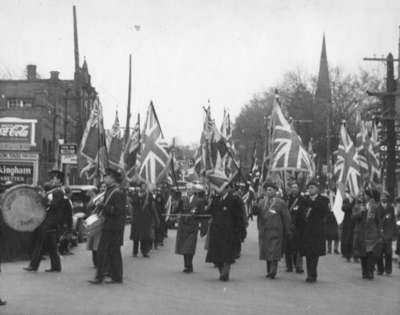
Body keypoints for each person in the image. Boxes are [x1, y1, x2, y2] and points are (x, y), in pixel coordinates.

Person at [24, 169, 71, 272]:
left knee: (40, 244)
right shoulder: (57, 191)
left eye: (54, 179)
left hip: (49, 222)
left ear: (59, 181)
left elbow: (53, 206)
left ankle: (33, 266)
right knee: (52, 246)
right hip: (52, 222)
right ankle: (56, 266)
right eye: (52, 178)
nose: (52, 181)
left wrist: (43, 199)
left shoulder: (57, 192)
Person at [89, 167, 126, 284]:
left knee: (102, 251)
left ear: (112, 178)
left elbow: (118, 211)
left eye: (106, 176)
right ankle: (117, 277)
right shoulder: (110, 190)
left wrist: (103, 206)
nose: (104, 178)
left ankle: (100, 277)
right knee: (113, 252)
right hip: (110, 225)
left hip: (113, 227)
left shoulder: (117, 192)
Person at [205, 182, 246, 281]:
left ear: (227, 189)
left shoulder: (234, 200)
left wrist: (240, 231)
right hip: (216, 231)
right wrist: (206, 206)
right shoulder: (215, 199)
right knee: (216, 256)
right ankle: (221, 270)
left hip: (229, 232)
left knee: (227, 255)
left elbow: (239, 217)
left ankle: (225, 272)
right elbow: (208, 212)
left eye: (221, 188)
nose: (218, 190)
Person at [255, 179, 291, 279]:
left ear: (275, 191)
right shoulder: (262, 202)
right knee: (267, 251)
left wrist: (287, 230)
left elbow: (286, 217)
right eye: (267, 190)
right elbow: (258, 215)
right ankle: (268, 270)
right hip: (265, 231)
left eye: (270, 190)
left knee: (274, 252)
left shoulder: (280, 203)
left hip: (276, 231)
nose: (268, 192)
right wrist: (255, 207)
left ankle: (273, 271)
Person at [300, 179, 329, 283]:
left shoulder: (324, 200)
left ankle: (313, 274)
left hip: (317, 231)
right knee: (308, 254)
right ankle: (309, 274)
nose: (310, 189)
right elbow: (301, 212)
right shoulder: (304, 199)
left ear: (317, 189)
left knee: (315, 254)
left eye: (312, 187)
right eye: (309, 188)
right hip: (307, 231)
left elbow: (324, 211)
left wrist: (311, 203)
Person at [352, 189, 382, 280]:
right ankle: (364, 272)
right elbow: (353, 217)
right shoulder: (358, 206)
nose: (363, 196)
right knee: (363, 255)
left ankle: (370, 272)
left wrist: (378, 232)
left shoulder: (375, 207)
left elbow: (378, 220)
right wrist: (360, 212)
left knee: (371, 254)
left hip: (372, 234)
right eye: (363, 195)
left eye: (365, 195)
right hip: (361, 234)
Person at [175, 184, 204, 273]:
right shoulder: (183, 199)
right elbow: (177, 210)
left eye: (190, 189)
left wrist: (201, 224)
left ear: (194, 190)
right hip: (183, 226)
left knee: (189, 247)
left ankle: (189, 265)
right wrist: (177, 200)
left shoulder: (199, 201)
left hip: (192, 226)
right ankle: (186, 265)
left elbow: (201, 214)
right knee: (184, 247)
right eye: (187, 189)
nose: (188, 191)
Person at [130, 183, 160, 258]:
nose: (143, 187)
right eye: (142, 186)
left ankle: (144, 252)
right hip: (137, 218)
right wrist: (139, 198)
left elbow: (152, 206)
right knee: (136, 237)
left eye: (144, 186)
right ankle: (135, 252)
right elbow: (133, 203)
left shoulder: (149, 195)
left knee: (145, 237)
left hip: (145, 218)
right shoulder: (135, 194)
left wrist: (154, 218)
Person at [285, 181, 306, 273]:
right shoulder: (287, 199)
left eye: (296, 187)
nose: (294, 189)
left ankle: (298, 266)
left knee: (298, 248)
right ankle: (289, 266)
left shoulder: (302, 199)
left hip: (298, 227)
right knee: (288, 248)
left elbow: (303, 213)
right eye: (292, 187)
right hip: (288, 226)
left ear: (298, 189)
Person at [376, 191, 396, 275]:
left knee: (388, 253)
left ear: (387, 198)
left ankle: (388, 270)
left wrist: (392, 232)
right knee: (379, 253)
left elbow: (393, 221)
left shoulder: (391, 208)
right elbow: (375, 221)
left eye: (384, 197)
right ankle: (380, 270)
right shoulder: (377, 207)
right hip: (379, 234)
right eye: (381, 197)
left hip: (388, 234)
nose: (383, 198)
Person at [340, 196, 355, 261]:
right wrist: (354, 200)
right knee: (347, 240)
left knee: (346, 239)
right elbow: (350, 207)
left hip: (348, 224)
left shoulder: (345, 206)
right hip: (348, 225)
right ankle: (347, 254)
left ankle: (347, 254)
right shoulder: (345, 207)